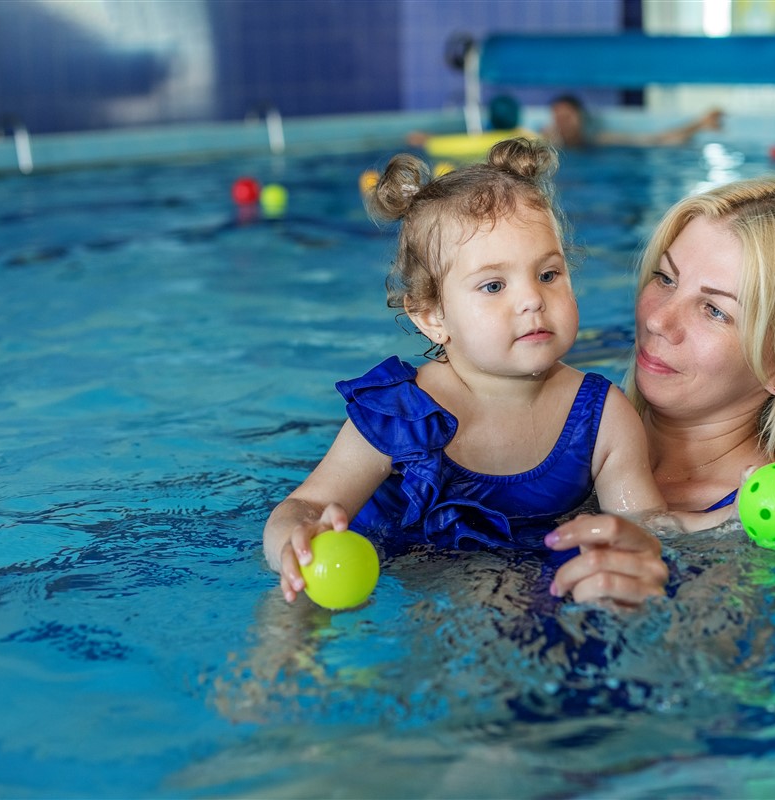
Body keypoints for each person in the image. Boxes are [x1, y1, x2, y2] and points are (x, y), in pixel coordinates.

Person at [264, 137, 682, 604]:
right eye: (493, 285)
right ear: (432, 317)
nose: (531, 299)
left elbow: (647, 531)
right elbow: (306, 504)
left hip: (517, 586)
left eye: (548, 274)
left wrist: (724, 524)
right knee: (292, 605)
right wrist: (294, 540)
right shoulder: (400, 413)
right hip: (394, 577)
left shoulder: (603, 417)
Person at [544, 176, 775, 606]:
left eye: (715, 310)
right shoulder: (568, 418)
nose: (659, 320)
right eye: (665, 278)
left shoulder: (757, 535)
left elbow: (715, 667)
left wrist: (651, 609)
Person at [543, 94, 724, 150]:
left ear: (580, 117)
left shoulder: (600, 139)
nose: (563, 123)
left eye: (567, 117)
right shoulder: (546, 143)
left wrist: (698, 124)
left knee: (664, 142)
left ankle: (702, 123)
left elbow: (654, 139)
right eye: (558, 118)